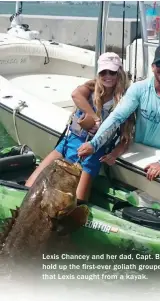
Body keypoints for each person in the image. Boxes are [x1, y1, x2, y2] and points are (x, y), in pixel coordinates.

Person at [78, 44, 160, 181]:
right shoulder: (139, 88)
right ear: (153, 67)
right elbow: (117, 117)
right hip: (136, 146)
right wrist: (94, 144)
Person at [25, 52, 135, 200]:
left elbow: (126, 136)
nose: (107, 76)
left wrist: (114, 154)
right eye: (103, 72)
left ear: (119, 73)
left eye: (112, 72)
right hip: (69, 143)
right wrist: (95, 118)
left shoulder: (124, 102)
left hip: (93, 152)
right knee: (29, 185)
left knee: (78, 199)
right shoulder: (91, 87)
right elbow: (76, 95)